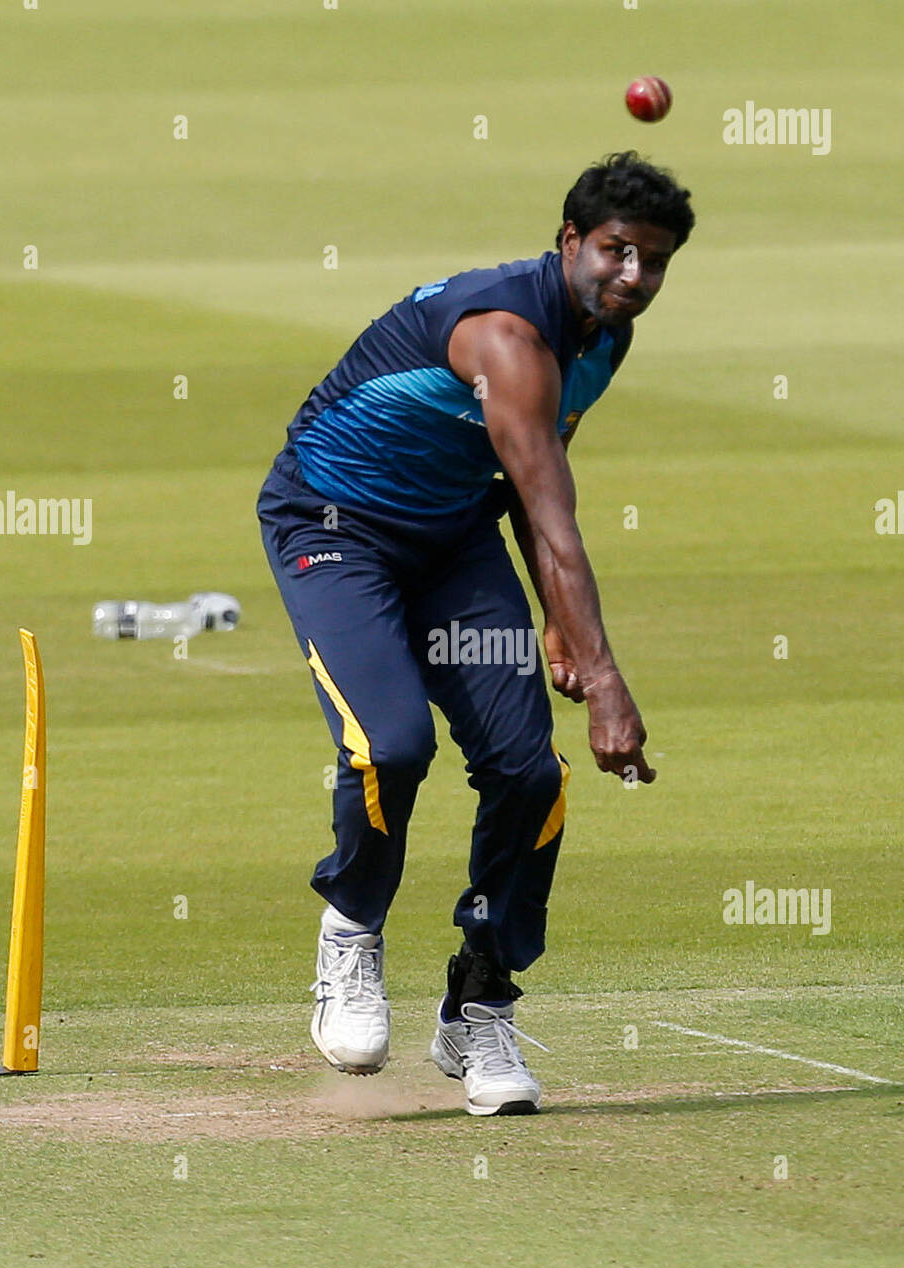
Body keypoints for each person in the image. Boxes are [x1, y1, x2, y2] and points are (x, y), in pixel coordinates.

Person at [257, 151, 695, 1115]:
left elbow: (521, 486)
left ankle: (477, 1009)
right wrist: (605, 680)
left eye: (653, 262)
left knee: (528, 773)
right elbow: (552, 512)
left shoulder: (600, 339)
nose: (632, 277)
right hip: (335, 530)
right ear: (569, 241)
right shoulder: (503, 334)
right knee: (391, 745)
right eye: (616, 252)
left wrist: (553, 626)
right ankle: (352, 930)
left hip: (452, 546)